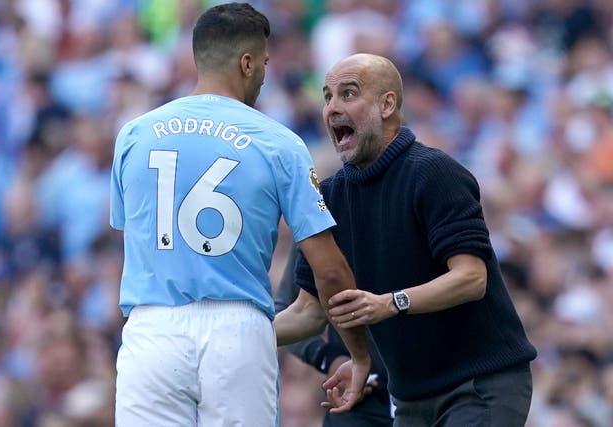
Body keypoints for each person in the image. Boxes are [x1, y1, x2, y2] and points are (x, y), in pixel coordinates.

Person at [109, 4, 370, 426]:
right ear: (246, 63)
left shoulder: (134, 134)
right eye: (264, 63)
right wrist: (359, 354)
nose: (265, 75)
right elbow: (331, 272)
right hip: (238, 330)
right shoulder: (279, 143)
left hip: (151, 329)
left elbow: (131, 243)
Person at [274, 53, 538, 426]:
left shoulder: (434, 173)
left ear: (387, 104)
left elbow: (471, 278)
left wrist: (390, 303)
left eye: (348, 94)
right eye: (327, 96)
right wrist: (232, 334)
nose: (332, 107)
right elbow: (307, 311)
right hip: (411, 398)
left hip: (480, 385)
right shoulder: (330, 196)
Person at [275, 246, 394, 427]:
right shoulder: (321, 222)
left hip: (429, 394)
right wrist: (330, 359)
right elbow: (293, 310)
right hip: (357, 403)